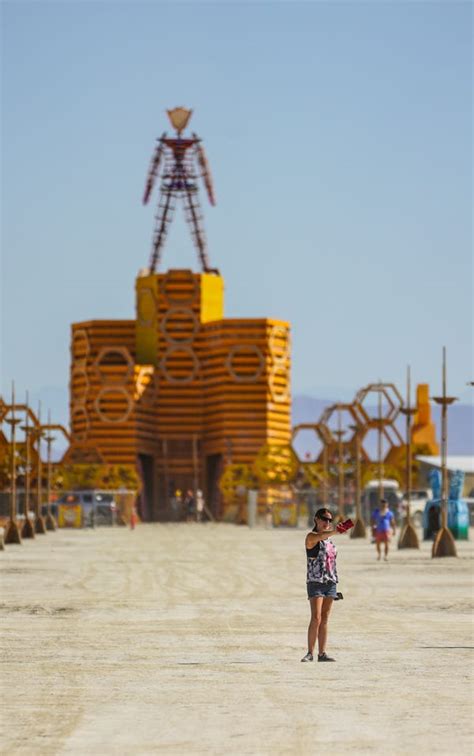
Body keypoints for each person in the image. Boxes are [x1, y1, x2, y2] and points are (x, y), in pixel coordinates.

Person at [301, 508, 352, 663]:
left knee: (324, 619)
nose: (327, 522)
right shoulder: (311, 537)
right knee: (315, 618)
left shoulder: (329, 541)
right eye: (324, 519)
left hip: (330, 582)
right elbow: (320, 536)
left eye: (330, 520)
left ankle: (322, 653)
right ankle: (309, 652)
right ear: (316, 519)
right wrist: (336, 531)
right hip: (315, 582)